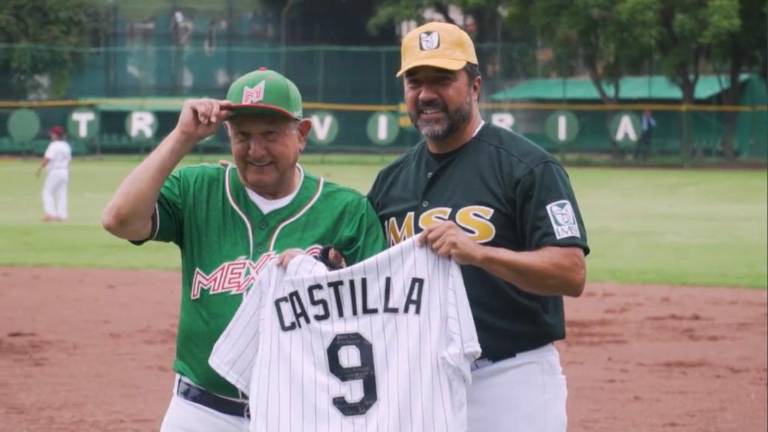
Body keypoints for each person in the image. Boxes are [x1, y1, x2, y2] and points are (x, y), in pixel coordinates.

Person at [101, 68, 385, 432]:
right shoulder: (197, 188)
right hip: (201, 410)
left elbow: (380, 318)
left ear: (302, 135)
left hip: (301, 411)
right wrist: (182, 137)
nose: (256, 150)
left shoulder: (347, 210)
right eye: (243, 135)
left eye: (270, 134)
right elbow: (119, 220)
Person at [367, 22, 590, 432]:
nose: (427, 94)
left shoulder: (529, 168)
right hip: (422, 382)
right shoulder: (391, 181)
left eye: (443, 80)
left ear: (475, 86)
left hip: (511, 378)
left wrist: (480, 253)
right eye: (415, 82)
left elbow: (570, 273)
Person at [36, 125, 72, 222]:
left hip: (55, 171)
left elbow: (48, 158)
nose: (51, 135)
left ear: (56, 135)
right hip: (64, 170)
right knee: (62, 193)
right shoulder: (66, 145)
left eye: (52, 133)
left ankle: (50, 213)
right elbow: (69, 160)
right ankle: (62, 215)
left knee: (47, 191)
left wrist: (40, 168)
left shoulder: (53, 145)